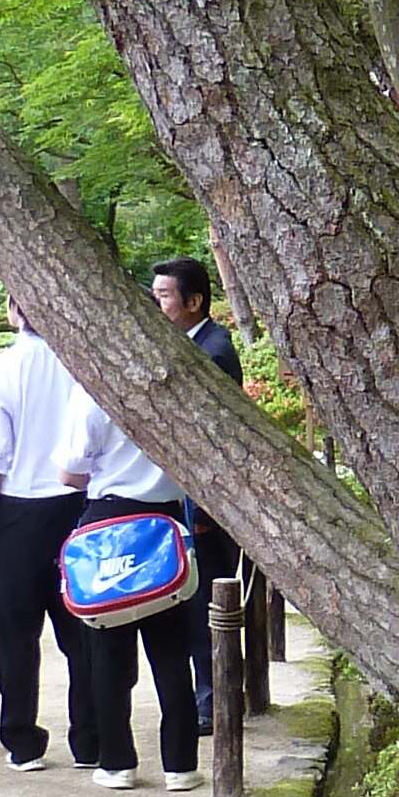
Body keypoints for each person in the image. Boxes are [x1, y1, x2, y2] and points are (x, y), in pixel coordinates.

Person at [50, 384, 201, 791]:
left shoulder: (93, 390)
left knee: (107, 652)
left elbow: (69, 474)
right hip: (164, 524)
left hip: (108, 524)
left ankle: (117, 762)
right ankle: (181, 766)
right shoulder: (173, 387)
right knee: (171, 653)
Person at [0, 295, 93, 773]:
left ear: (11, 310)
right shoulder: (81, 365)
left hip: (17, 512)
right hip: (77, 508)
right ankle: (91, 738)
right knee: (83, 629)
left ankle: (22, 740)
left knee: (15, 636)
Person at [150, 254, 244, 705]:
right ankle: (208, 697)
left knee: (206, 605)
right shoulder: (193, 343)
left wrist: (205, 508)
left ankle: (214, 701)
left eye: (165, 295)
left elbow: (216, 439)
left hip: (205, 504)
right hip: (191, 499)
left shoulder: (213, 352)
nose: (158, 303)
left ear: (195, 300)